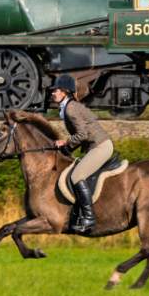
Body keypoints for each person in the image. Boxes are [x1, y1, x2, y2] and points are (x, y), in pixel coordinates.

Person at [51, 73, 114, 234]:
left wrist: (66, 143)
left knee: (77, 176)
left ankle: (89, 218)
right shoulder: (68, 106)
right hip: (95, 147)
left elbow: (83, 135)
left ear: (64, 91)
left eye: (56, 90)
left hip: (100, 147)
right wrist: (66, 149)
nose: (53, 93)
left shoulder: (71, 108)